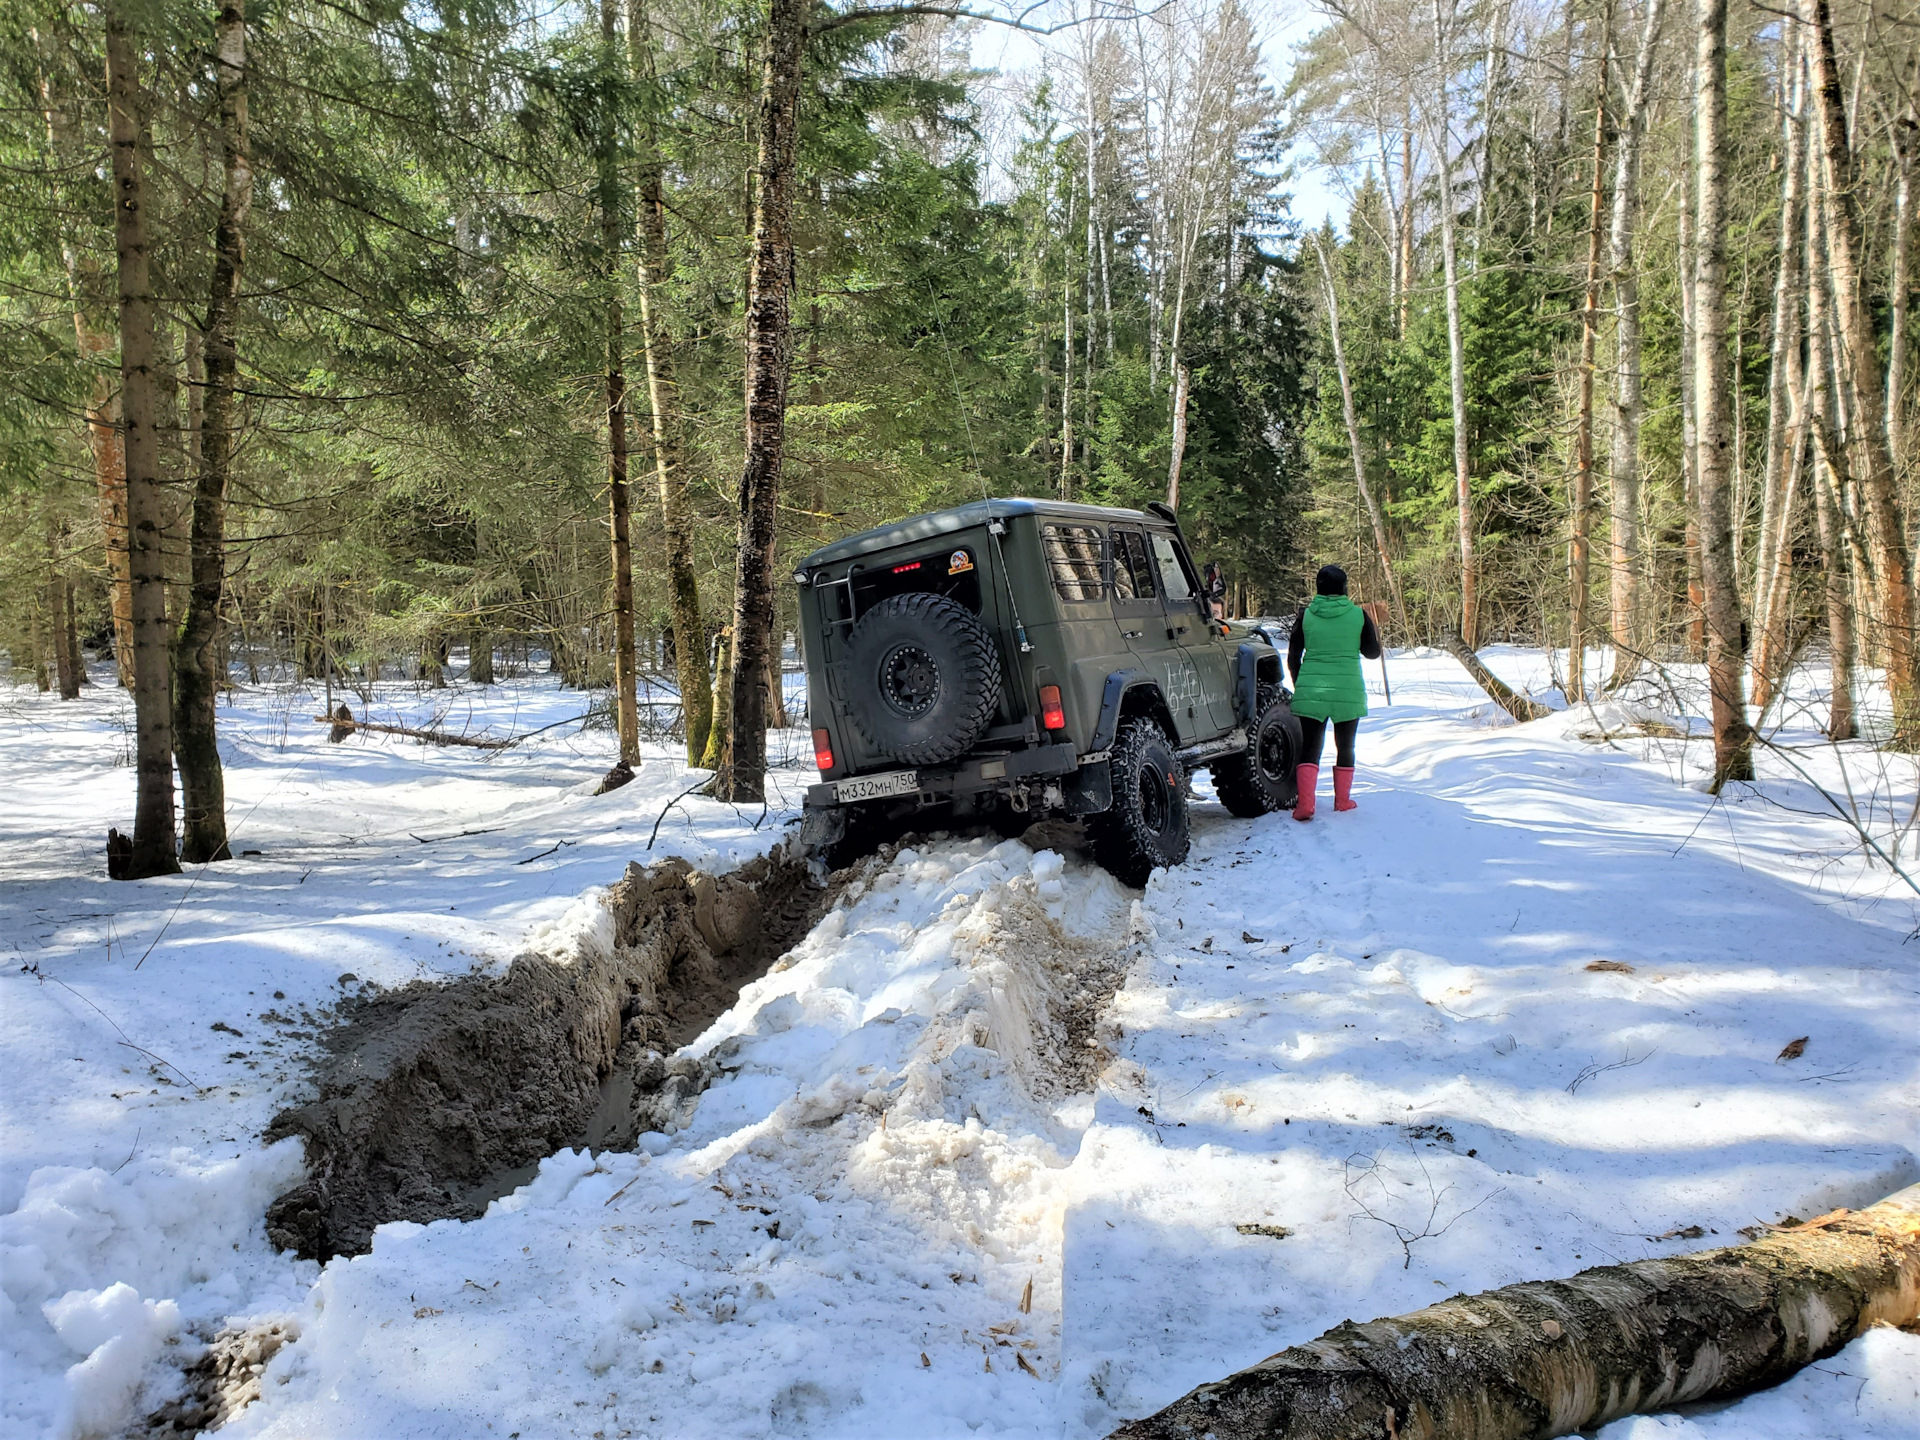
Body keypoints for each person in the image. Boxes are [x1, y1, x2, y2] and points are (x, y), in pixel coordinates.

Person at [1285, 564, 1381, 821]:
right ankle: (1342, 801)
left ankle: (1305, 805)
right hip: (1348, 690)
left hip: (1312, 689)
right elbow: (1373, 653)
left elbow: (1293, 654)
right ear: (1344, 587)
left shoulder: (1306, 616)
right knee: (1346, 745)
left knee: (1310, 746)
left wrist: (1300, 683)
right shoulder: (1358, 615)